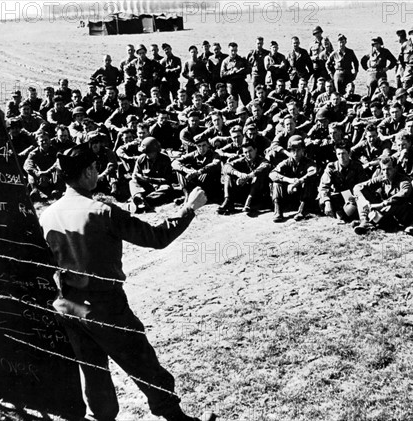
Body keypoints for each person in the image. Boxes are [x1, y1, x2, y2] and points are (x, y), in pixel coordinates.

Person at [39, 143, 215, 421]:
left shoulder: (47, 214)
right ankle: (176, 418)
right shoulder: (102, 211)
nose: (98, 173)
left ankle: (102, 417)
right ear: (87, 172)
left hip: (68, 305)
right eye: (95, 168)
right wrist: (188, 209)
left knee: (93, 373)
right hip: (106, 306)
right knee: (144, 364)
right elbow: (156, 237)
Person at [269, 135, 318, 222]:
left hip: (302, 195)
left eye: (298, 150)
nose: (295, 153)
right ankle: (278, 211)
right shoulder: (286, 162)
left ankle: (302, 211)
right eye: (293, 150)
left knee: (308, 182)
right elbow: (272, 174)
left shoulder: (308, 162)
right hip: (289, 193)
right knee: (276, 184)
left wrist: (299, 181)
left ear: (303, 150)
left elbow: (312, 171)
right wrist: (289, 180)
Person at [218, 140, 271, 215]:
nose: (248, 154)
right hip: (244, 191)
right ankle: (228, 200)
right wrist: (238, 174)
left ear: (255, 150)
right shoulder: (242, 160)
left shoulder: (261, 160)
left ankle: (249, 202)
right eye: (245, 152)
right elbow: (226, 166)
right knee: (228, 175)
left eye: (250, 151)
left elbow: (266, 165)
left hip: (257, 194)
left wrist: (249, 176)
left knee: (258, 175)